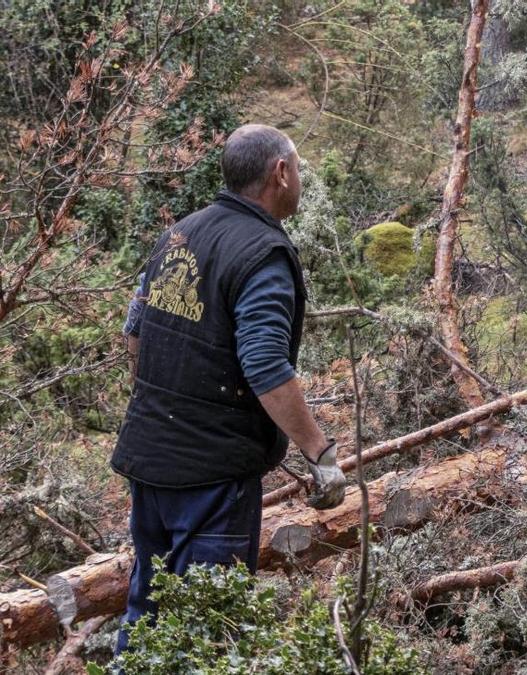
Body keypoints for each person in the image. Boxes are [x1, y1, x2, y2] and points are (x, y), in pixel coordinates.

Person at [111, 124, 347, 653]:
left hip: (150, 460)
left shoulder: (180, 233)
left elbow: (134, 331)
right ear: (280, 173)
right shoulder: (263, 253)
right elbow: (265, 364)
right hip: (212, 478)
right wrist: (321, 453)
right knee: (207, 630)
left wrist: (163, 405)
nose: (301, 179)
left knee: (147, 611)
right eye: (299, 168)